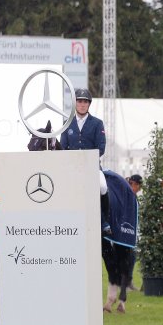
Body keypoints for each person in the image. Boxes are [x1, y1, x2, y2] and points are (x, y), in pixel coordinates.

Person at [61, 88, 110, 233]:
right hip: (72, 167)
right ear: (75, 103)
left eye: (85, 102)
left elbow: (101, 147)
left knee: (102, 186)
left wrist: (87, 159)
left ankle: (105, 221)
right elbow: (63, 147)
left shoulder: (97, 123)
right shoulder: (67, 123)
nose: (82, 104)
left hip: (91, 166)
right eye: (80, 101)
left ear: (89, 104)